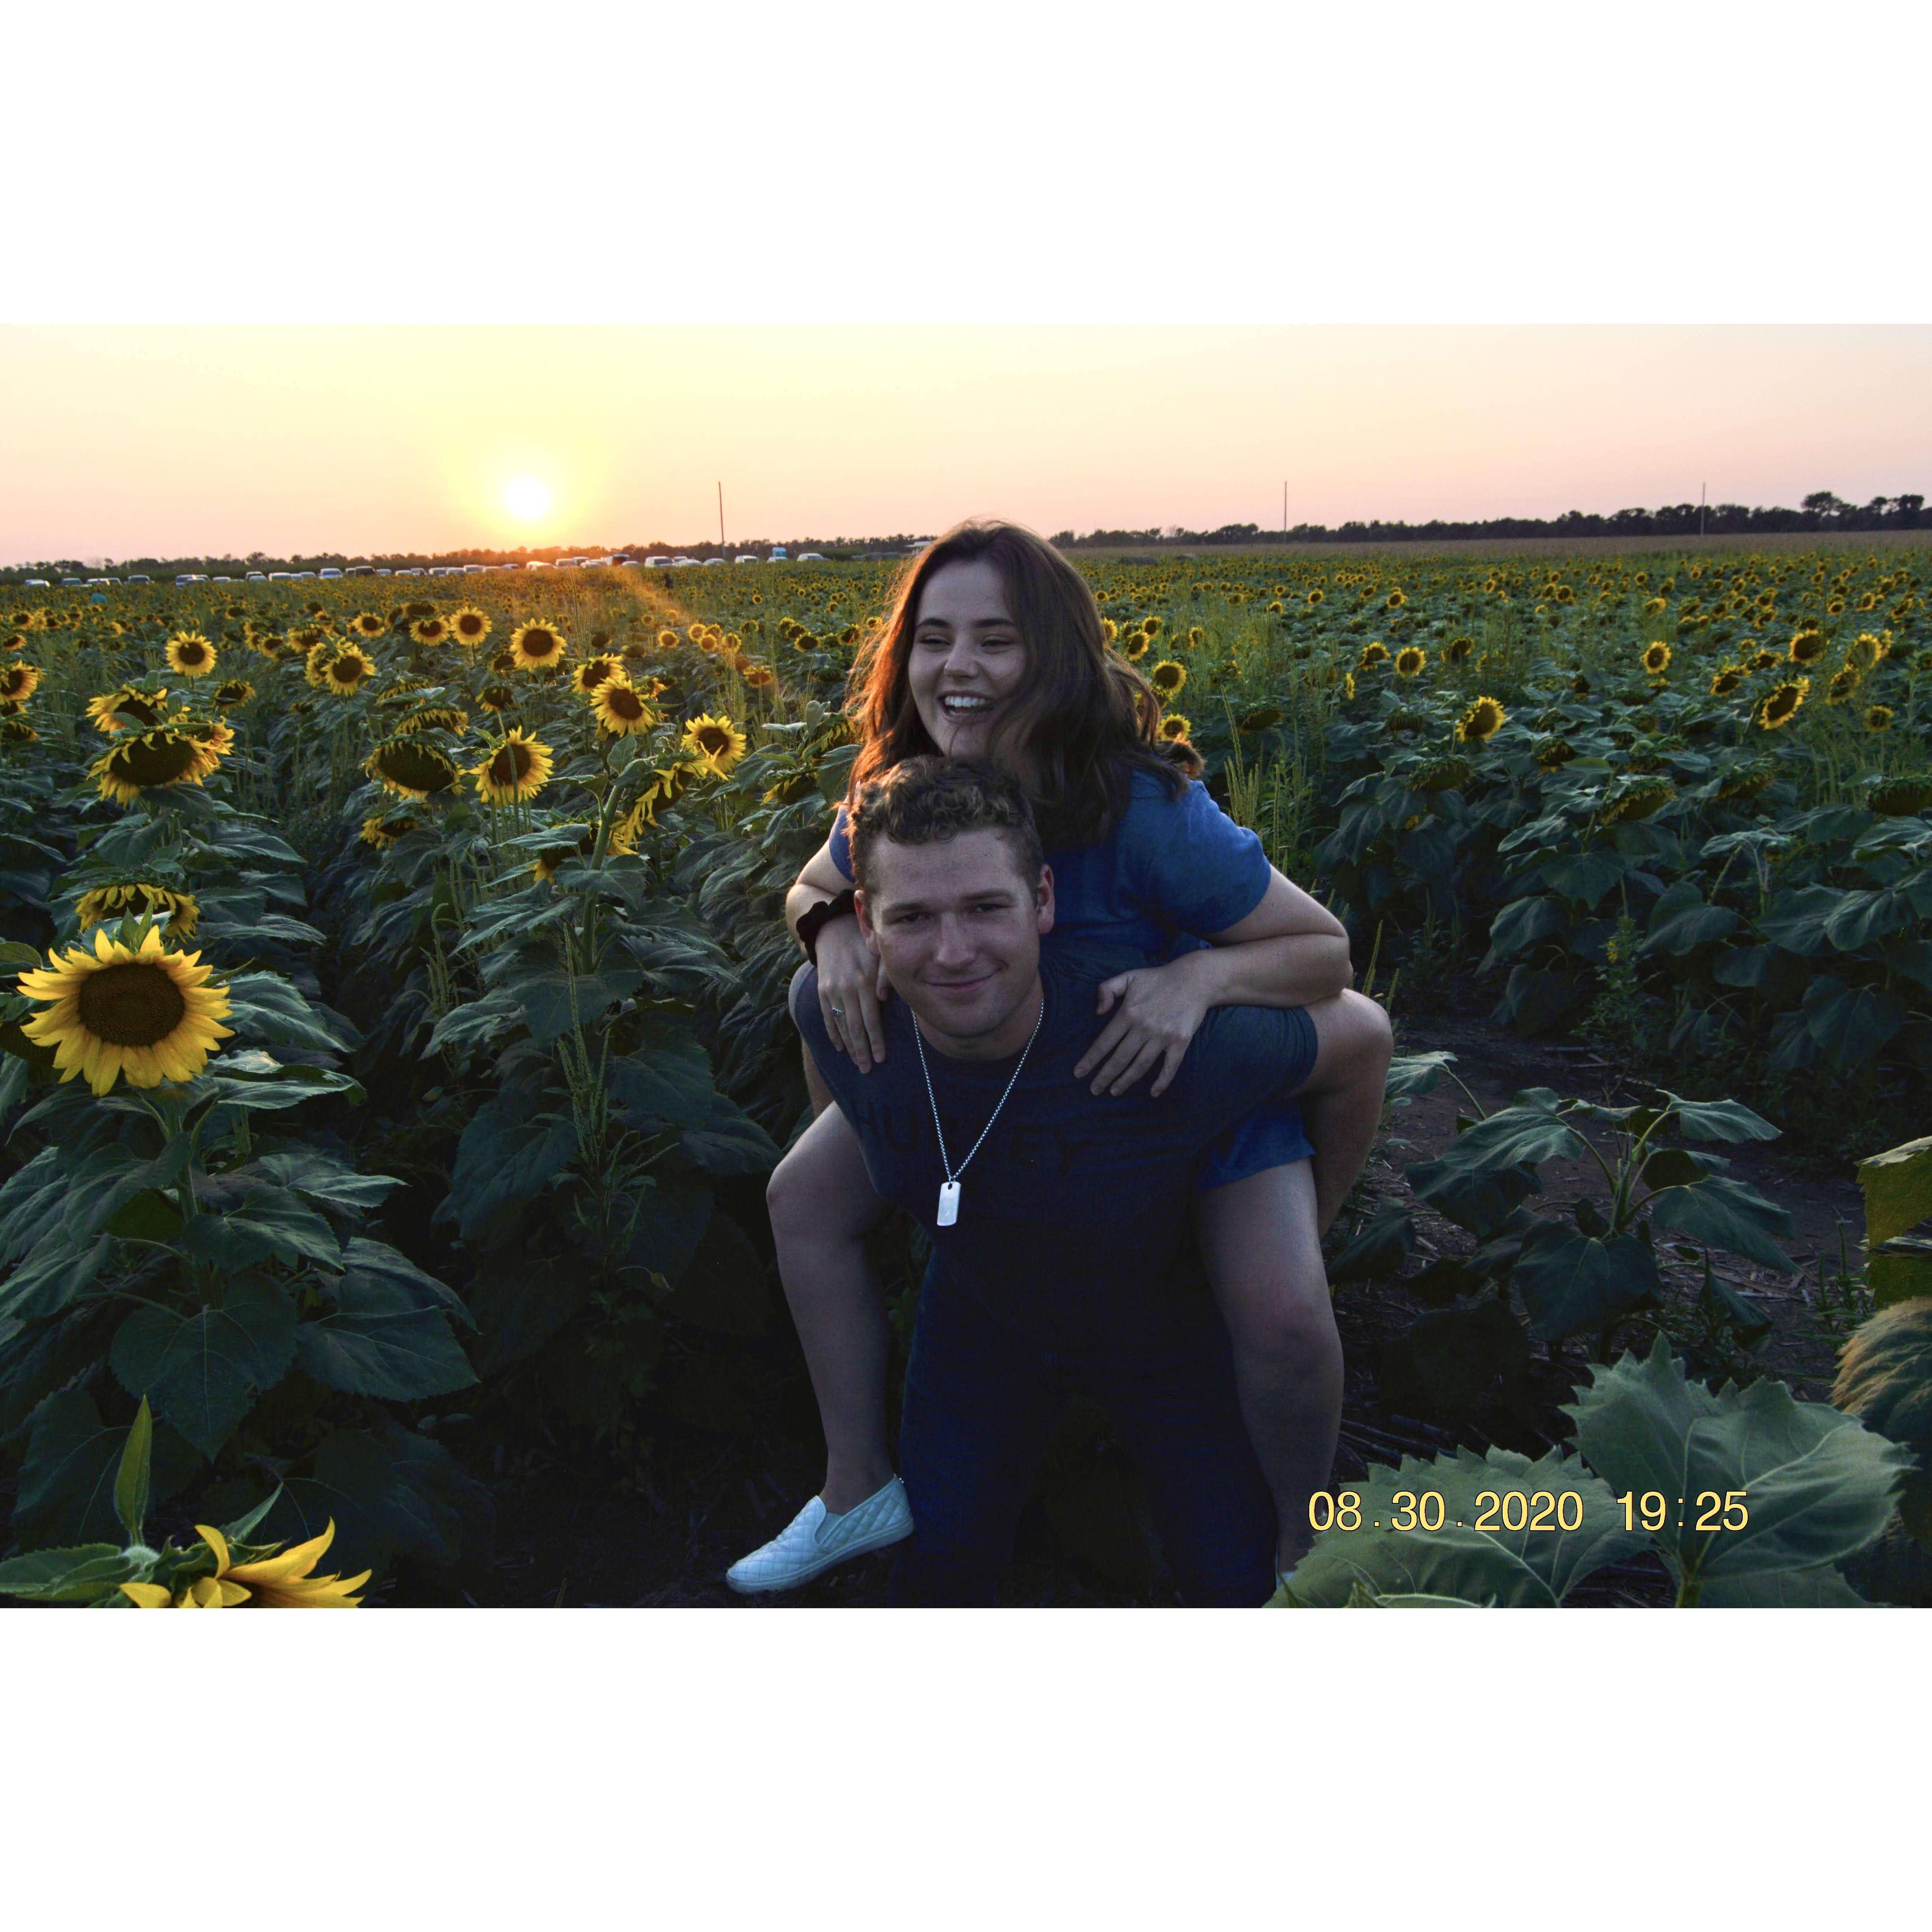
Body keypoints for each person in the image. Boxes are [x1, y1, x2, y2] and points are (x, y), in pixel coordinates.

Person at [729, 519, 1392, 1595]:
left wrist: (1201, 980)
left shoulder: (1138, 805)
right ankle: (855, 1482)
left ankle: (1300, 1536)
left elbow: (1326, 956)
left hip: (1172, 1080)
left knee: (1278, 1312)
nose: (960, 667)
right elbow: (815, 885)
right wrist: (831, 931)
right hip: (988, 1093)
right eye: (934, 639)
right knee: (801, 1198)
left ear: (1053, 654)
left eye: (996, 638)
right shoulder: (900, 790)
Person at [762, 758, 1352, 1604]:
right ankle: (853, 1486)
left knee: (1233, 1581)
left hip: (1165, 1328)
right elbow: (850, 1121)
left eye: (985, 907)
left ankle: (1304, 1534)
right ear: (862, 918)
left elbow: (1360, 1034)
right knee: (936, 1569)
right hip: (980, 1315)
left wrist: (1311, 1220)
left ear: (1045, 900)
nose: (954, 950)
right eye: (913, 917)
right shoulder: (837, 1009)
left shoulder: (1149, 1040)